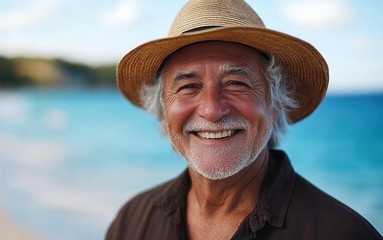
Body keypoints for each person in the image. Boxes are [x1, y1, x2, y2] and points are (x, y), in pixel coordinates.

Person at [106, 0, 383, 239]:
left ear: (274, 106)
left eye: (236, 83)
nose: (212, 110)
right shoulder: (131, 222)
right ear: (165, 113)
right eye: (189, 87)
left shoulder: (342, 234)